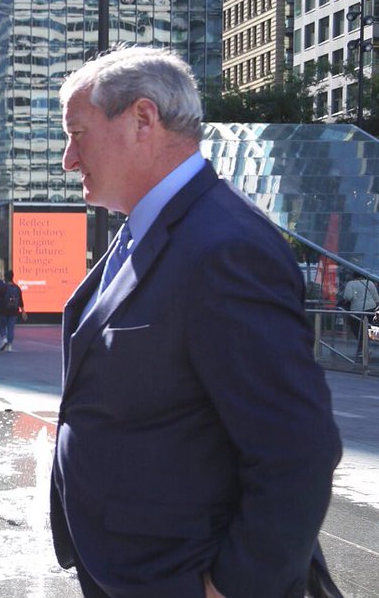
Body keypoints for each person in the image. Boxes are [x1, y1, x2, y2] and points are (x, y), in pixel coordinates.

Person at [53, 46, 343, 597]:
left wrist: (230, 587)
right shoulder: (152, 228)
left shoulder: (225, 247)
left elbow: (298, 448)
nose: (68, 158)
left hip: (180, 573)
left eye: (78, 133)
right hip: (129, 567)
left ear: (143, 118)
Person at [341, 274, 379, 358]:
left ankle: (362, 350)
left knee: (358, 330)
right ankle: (363, 349)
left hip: (357, 310)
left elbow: (348, 297)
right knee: (367, 329)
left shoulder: (351, 283)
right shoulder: (370, 283)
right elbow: (376, 298)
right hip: (371, 309)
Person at [0, 270, 24, 351]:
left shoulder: (2, 287)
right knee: (11, 328)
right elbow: (20, 301)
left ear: (5, 277)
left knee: (2, 326)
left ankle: (4, 339)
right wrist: (23, 311)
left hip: (3, 310)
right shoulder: (17, 288)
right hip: (14, 311)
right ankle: (9, 345)